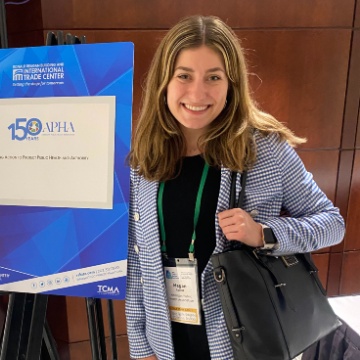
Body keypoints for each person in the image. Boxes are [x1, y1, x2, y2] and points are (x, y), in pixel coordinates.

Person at [125, 15, 345, 360]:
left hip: (243, 341)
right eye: (184, 76)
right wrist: (141, 347)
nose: (197, 93)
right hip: (166, 341)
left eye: (213, 77)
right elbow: (137, 263)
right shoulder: (145, 157)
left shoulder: (264, 149)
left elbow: (332, 224)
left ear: (231, 85)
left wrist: (264, 234)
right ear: (164, 82)